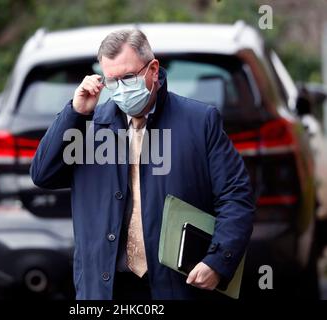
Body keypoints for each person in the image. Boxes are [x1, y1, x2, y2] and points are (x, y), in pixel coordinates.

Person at [30, 29, 255, 300]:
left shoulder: (200, 122)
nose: (121, 89)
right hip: (104, 289)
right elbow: (43, 174)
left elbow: (236, 196)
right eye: (112, 81)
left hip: (176, 286)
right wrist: (74, 113)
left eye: (128, 77)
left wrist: (219, 260)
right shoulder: (89, 127)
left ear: (153, 69)